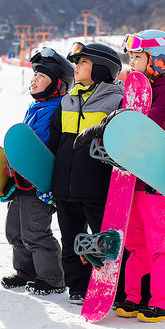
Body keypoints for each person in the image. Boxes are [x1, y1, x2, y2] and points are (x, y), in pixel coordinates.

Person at [114, 30, 165, 322]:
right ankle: (137, 295)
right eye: (130, 57)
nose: (132, 63)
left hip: (157, 179)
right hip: (135, 178)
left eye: (138, 57)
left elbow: (148, 127)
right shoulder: (136, 88)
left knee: (161, 241)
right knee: (135, 241)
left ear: (157, 60)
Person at [47, 42, 124, 304]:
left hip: (96, 185)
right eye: (77, 63)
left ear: (101, 69)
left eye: (83, 62)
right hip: (65, 185)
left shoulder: (115, 101)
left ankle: (112, 285)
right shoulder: (67, 100)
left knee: (103, 240)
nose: (77, 67)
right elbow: (54, 141)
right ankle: (77, 286)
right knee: (70, 239)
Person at [1, 48, 73, 295]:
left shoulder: (59, 108)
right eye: (34, 75)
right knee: (15, 230)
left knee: (35, 232)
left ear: (59, 85)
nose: (34, 79)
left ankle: (52, 279)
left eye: (41, 76)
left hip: (39, 184)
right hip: (20, 181)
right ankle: (25, 272)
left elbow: (50, 145)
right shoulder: (35, 107)